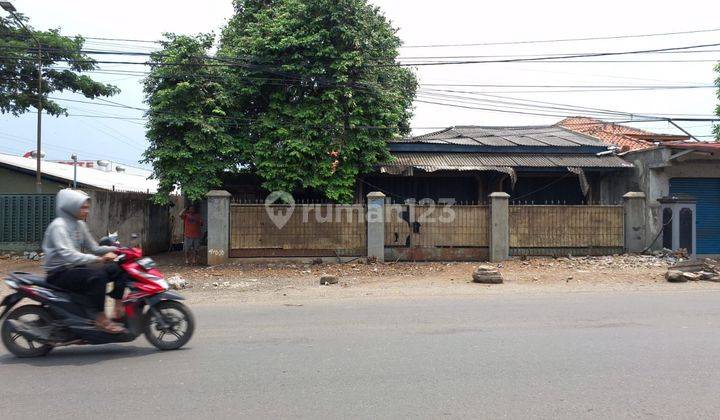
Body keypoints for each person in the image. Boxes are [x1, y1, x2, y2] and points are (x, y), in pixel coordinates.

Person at [43, 189, 127, 334]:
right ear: (71, 206)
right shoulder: (59, 226)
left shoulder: (79, 224)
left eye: (87, 207)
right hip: (58, 273)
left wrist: (119, 249)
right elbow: (69, 255)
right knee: (98, 276)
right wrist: (99, 259)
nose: (87, 211)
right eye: (83, 207)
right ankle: (100, 318)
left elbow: (93, 247)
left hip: (74, 268)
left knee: (117, 268)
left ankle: (118, 306)